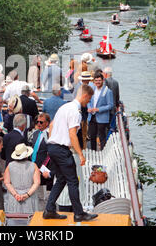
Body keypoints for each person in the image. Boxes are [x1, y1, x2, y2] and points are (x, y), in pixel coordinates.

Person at [43, 84, 98, 222]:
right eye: (89, 99)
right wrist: (80, 154)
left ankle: (49, 210)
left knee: (61, 179)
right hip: (62, 149)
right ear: (85, 96)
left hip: (52, 147)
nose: (88, 103)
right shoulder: (75, 111)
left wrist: (53, 141)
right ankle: (79, 213)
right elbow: (72, 134)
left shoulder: (64, 107)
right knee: (73, 181)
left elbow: (51, 125)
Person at [4, 143, 40, 214]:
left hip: (14, 198)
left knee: (13, 221)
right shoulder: (33, 166)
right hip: (30, 197)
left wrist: (15, 194)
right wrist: (27, 195)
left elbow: (7, 182)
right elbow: (37, 182)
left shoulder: (10, 166)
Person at [30, 113, 55, 204]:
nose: (39, 124)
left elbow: (52, 153)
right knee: (37, 192)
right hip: (34, 164)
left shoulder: (50, 135)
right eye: (37, 122)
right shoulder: (36, 133)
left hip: (44, 167)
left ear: (47, 123)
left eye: (41, 122)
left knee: (46, 195)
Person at [87, 73, 113, 151]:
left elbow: (110, 105)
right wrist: (89, 108)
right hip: (92, 116)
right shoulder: (92, 89)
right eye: (96, 80)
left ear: (103, 80)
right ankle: (93, 152)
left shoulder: (107, 91)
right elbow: (88, 101)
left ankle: (102, 152)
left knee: (102, 136)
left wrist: (98, 109)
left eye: (99, 80)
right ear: (94, 81)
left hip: (102, 117)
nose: (98, 82)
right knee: (92, 135)